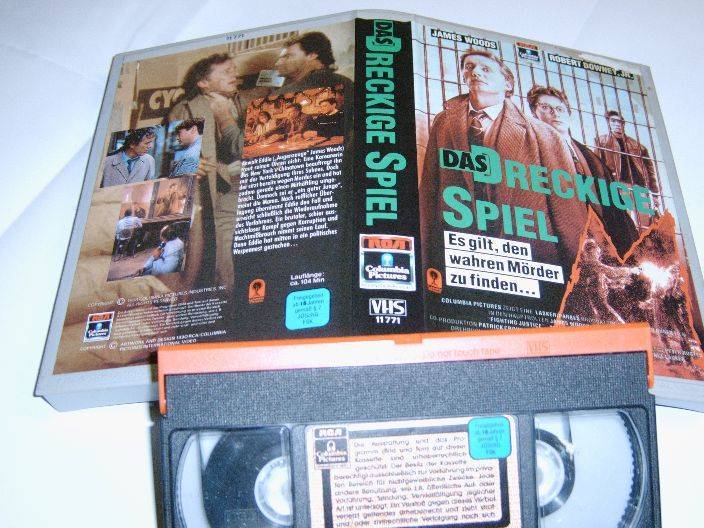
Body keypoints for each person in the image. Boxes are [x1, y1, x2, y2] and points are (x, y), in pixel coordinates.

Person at [419, 50, 591, 315]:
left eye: (486, 68)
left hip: (530, 273)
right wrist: (425, 263)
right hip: (461, 271)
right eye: (469, 67)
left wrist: (580, 285)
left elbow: (568, 215)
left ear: (507, 83)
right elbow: (429, 195)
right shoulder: (444, 122)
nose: (475, 72)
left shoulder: (545, 135)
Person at [527, 85, 639, 255]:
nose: (555, 113)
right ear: (534, 113)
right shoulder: (530, 151)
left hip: (602, 241)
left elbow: (617, 210)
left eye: (560, 109)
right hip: (561, 240)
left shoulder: (592, 158)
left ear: (568, 113)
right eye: (546, 107)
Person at [167, 53, 244, 289]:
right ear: (203, 82)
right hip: (218, 196)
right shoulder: (188, 110)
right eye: (226, 71)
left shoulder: (244, 102)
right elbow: (176, 164)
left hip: (250, 190)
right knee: (225, 261)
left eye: (234, 69)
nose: (234, 74)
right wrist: (193, 165)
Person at [273, 32, 353, 101]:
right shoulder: (345, 82)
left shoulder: (285, 93)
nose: (277, 64)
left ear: (312, 55)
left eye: (288, 56)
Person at [594, 110, 658, 194]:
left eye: (620, 122)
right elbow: (596, 164)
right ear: (608, 123)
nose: (617, 124)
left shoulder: (638, 146)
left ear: (623, 124)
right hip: (616, 185)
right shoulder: (601, 141)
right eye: (613, 121)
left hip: (638, 187)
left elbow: (650, 170)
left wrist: (655, 191)